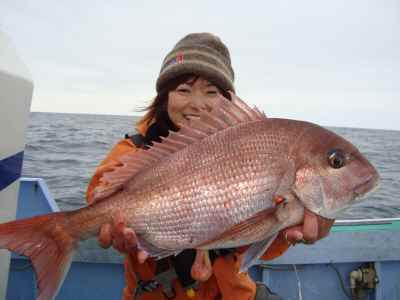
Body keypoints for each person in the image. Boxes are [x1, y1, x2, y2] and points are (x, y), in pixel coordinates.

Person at [86, 32, 334, 300]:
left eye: (211, 92)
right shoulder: (136, 151)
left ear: (227, 100)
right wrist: (109, 222)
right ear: (165, 96)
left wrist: (287, 230)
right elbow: (98, 195)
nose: (196, 104)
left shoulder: (247, 150)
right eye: (183, 90)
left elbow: (254, 242)